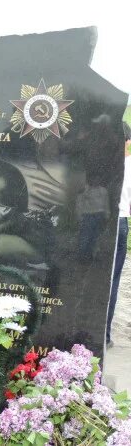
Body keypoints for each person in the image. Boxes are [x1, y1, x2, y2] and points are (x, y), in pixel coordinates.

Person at [106, 121, 131, 347]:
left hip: (93, 220)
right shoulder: (130, 165)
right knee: (111, 280)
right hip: (119, 222)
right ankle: (104, 334)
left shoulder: (98, 161)